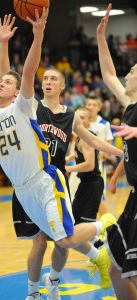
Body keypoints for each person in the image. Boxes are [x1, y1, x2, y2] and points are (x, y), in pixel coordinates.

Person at [0, 9, 122, 300]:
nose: (45, 81)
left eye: (51, 78)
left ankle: (101, 230)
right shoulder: (22, 107)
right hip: (22, 187)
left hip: (47, 178)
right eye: (43, 78)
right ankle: (54, 281)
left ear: (62, 86)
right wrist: (3, 44)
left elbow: (21, 76)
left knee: (61, 241)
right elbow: (7, 78)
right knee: (46, 241)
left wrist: (121, 152)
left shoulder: (38, 108)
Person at [96, 3, 137, 299]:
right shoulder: (129, 104)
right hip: (133, 196)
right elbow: (108, 73)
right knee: (115, 268)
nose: (127, 74)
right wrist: (100, 36)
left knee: (133, 269)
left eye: (133, 71)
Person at [66, 107, 104, 228]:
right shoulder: (80, 136)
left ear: (89, 121)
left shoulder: (85, 138)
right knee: (76, 221)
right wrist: (68, 158)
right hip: (86, 183)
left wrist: (68, 169)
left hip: (92, 184)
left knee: (85, 224)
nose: (78, 120)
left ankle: (104, 236)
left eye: (82, 118)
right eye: (77, 117)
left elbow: (89, 165)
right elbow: (80, 153)